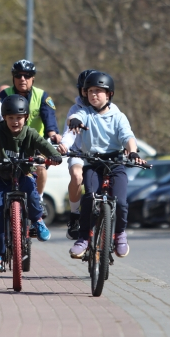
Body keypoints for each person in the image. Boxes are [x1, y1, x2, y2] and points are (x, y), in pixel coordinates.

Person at [0, 94, 61, 272]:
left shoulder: (30, 133)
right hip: (1, 179)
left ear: (26, 117)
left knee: (33, 196)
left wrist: (53, 155)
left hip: (23, 175)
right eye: (11, 118)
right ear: (4, 117)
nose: (15, 122)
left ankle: (37, 220)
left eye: (19, 118)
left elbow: (43, 144)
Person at [67, 71, 146, 259]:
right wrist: (74, 121)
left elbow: (127, 136)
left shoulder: (118, 116)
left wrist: (132, 151)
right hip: (93, 163)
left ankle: (120, 235)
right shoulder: (85, 112)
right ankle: (84, 238)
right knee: (90, 197)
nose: (94, 94)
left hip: (116, 162)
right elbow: (74, 118)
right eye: (91, 91)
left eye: (99, 91)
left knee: (120, 201)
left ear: (109, 94)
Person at [0, 59, 61, 199]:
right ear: (13, 78)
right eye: (18, 75)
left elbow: (50, 120)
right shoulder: (4, 95)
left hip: (35, 144)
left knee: (40, 168)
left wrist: (53, 134)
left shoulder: (42, 96)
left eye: (27, 75)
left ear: (33, 78)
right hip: (10, 143)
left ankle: (40, 198)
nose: (22, 79)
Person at [58, 69, 98, 238]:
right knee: (76, 176)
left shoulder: (108, 108)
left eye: (95, 90)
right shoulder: (76, 109)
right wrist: (64, 145)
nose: (90, 94)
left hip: (100, 154)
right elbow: (70, 132)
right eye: (85, 90)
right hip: (79, 153)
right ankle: (75, 215)